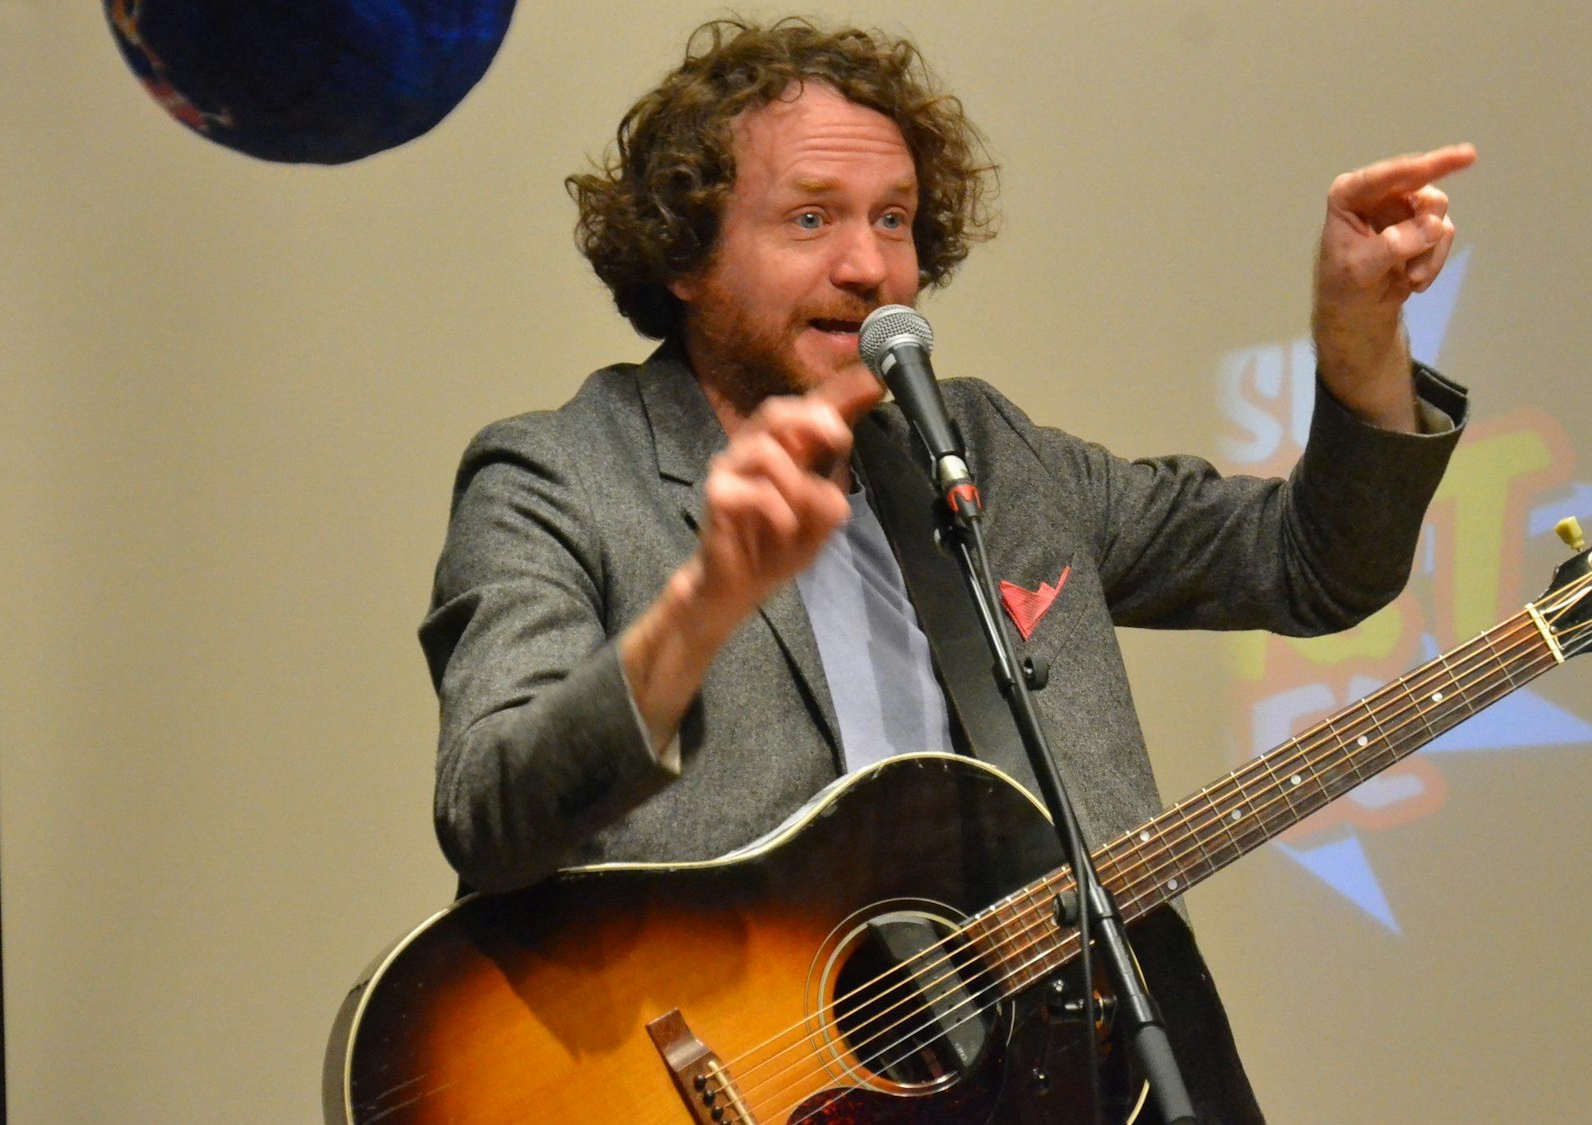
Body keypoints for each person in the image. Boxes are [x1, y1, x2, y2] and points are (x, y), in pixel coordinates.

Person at [421, 17, 1471, 1124]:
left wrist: (1358, 349)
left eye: (895, 221)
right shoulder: (558, 474)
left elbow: (1309, 567)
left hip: (1073, 1075)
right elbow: (492, 813)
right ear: (684, 251)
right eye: (811, 217)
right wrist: (704, 604)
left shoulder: (985, 456)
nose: (869, 266)